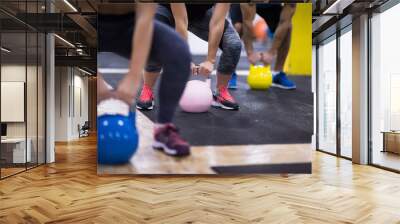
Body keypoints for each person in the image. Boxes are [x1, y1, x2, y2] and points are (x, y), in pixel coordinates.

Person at [97, 3, 192, 157]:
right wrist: (95, 79)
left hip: (130, 23)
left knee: (178, 52)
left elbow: (145, 15)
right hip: (90, 23)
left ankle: (163, 129)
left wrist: (134, 76)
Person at [136, 3, 242, 111]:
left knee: (233, 44)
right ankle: (147, 88)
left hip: (200, 15)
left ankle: (221, 91)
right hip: (167, 10)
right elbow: (181, 21)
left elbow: (217, 22)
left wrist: (210, 60)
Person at [229, 3, 296, 90]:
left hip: (270, 5)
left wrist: (271, 52)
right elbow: (247, 21)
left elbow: (285, 22)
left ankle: (277, 74)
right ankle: (228, 72)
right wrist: (250, 52)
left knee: (288, 27)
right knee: (238, 27)